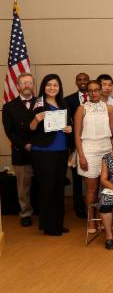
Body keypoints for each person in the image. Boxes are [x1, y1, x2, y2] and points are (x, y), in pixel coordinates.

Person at [29, 74, 73, 236]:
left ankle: (58, 223)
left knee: (58, 188)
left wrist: (69, 128)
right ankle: (48, 226)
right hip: (44, 152)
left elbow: (68, 124)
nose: (52, 88)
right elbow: (30, 129)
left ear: (59, 87)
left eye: (55, 85)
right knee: (47, 189)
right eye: (49, 85)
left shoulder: (63, 103)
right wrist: (36, 119)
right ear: (43, 86)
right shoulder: (38, 103)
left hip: (61, 151)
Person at [73, 80, 113, 234]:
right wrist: (81, 156)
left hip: (106, 149)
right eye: (90, 90)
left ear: (101, 90)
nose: (94, 93)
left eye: (97, 90)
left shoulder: (109, 108)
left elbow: (112, 133)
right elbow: (77, 134)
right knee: (92, 188)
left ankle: (103, 217)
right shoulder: (81, 109)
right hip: (88, 150)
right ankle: (91, 219)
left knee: (105, 188)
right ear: (87, 93)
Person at [2, 73, 36, 227]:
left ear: (33, 85)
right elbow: (9, 131)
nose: (27, 85)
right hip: (21, 151)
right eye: (23, 83)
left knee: (44, 183)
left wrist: (37, 144)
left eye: (29, 82)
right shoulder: (8, 107)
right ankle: (25, 213)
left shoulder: (42, 103)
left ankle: (44, 211)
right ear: (17, 86)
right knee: (23, 187)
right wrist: (24, 145)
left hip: (42, 151)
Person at [65, 73, 91, 218]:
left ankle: (93, 206)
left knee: (93, 176)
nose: (82, 82)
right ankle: (78, 207)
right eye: (79, 80)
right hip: (75, 144)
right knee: (77, 178)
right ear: (76, 82)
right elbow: (66, 120)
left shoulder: (96, 98)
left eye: (85, 79)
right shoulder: (68, 100)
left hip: (92, 142)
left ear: (89, 81)